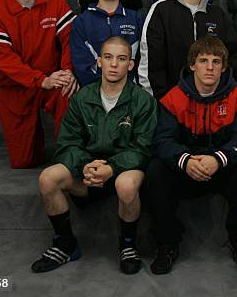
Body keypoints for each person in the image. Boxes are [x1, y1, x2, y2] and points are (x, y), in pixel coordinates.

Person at [30, 36, 157, 275]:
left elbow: (143, 148)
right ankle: (65, 244)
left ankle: (128, 246)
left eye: (121, 59)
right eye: (108, 57)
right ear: (99, 62)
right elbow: (67, 144)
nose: (114, 64)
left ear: (130, 65)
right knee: (48, 177)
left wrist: (112, 167)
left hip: (122, 171)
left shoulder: (143, 101)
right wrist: (86, 166)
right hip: (86, 174)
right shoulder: (81, 99)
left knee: (128, 185)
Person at [147, 36, 237, 275]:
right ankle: (167, 243)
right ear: (192, 65)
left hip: (222, 168)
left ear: (224, 66)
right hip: (187, 169)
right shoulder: (172, 98)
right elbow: (161, 141)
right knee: (155, 170)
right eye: (203, 61)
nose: (210, 67)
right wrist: (185, 160)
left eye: (216, 61)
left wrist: (218, 159)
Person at [0, 0, 77, 168]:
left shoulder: (54, 2)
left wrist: (67, 71)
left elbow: (70, 40)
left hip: (52, 79)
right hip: (16, 87)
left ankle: (69, 155)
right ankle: (33, 142)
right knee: (24, 161)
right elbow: (6, 61)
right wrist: (39, 80)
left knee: (69, 89)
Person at [70, 0, 143, 86]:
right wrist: (102, 90)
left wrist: (129, 89)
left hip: (130, 92)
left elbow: (143, 59)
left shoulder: (136, 18)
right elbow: (80, 63)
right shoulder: (82, 21)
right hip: (94, 93)